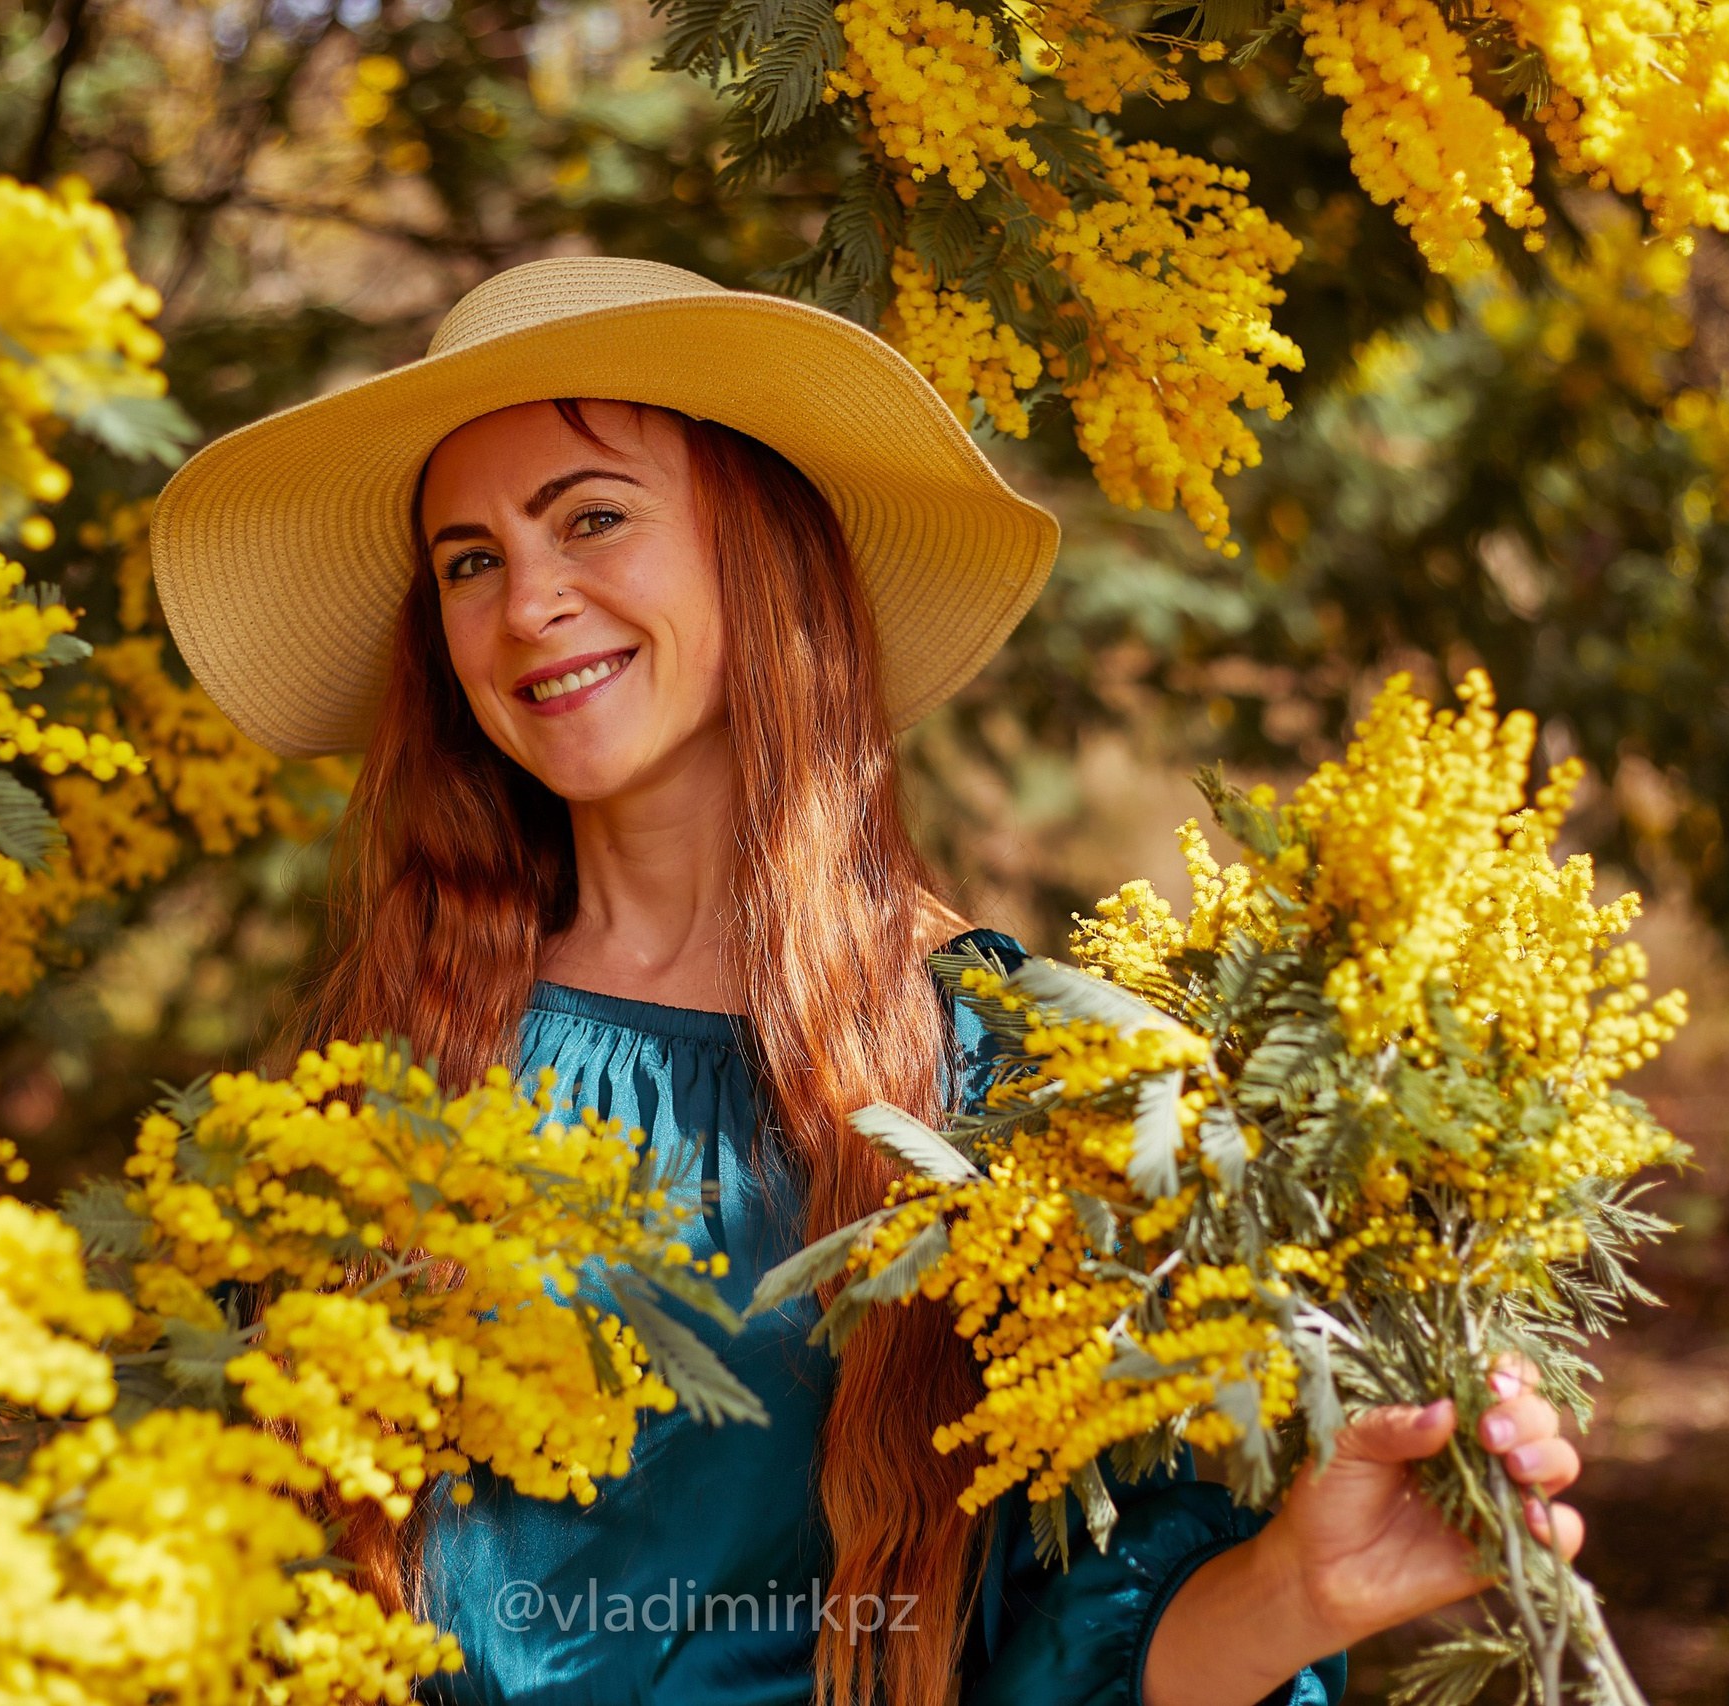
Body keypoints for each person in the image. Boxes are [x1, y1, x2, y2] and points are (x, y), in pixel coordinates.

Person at [149, 257, 1589, 1706]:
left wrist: (1296, 1589)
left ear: (754, 546)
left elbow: (1071, 1642)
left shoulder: (1009, 1077)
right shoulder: (391, 1047)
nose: (528, 602)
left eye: (592, 517)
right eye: (469, 560)